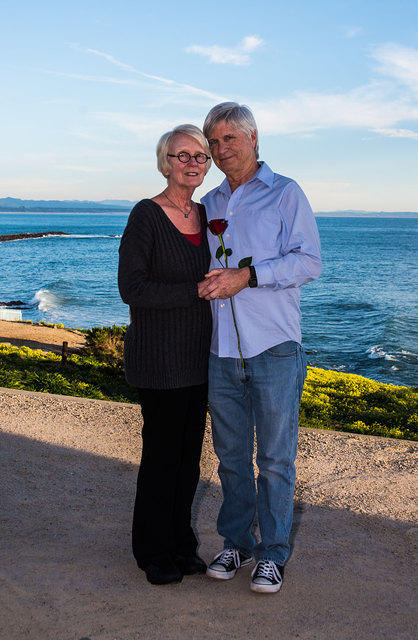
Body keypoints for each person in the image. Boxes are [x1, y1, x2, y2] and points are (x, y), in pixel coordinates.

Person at [198, 102, 322, 594]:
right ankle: (236, 542)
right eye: (213, 141)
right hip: (221, 348)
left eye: (229, 138)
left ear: (253, 139)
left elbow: (309, 262)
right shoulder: (209, 203)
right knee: (229, 457)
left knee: (274, 459)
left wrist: (246, 277)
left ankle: (272, 553)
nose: (220, 149)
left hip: (274, 347)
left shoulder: (286, 193)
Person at [118, 124, 212, 585]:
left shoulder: (207, 214)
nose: (192, 163)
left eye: (200, 156)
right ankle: (152, 551)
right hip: (159, 359)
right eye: (182, 155)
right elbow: (131, 288)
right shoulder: (146, 216)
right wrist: (195, 291)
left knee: (189, 458)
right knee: (161, 458)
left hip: (199, 358)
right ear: (165, 162)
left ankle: (181, 544)